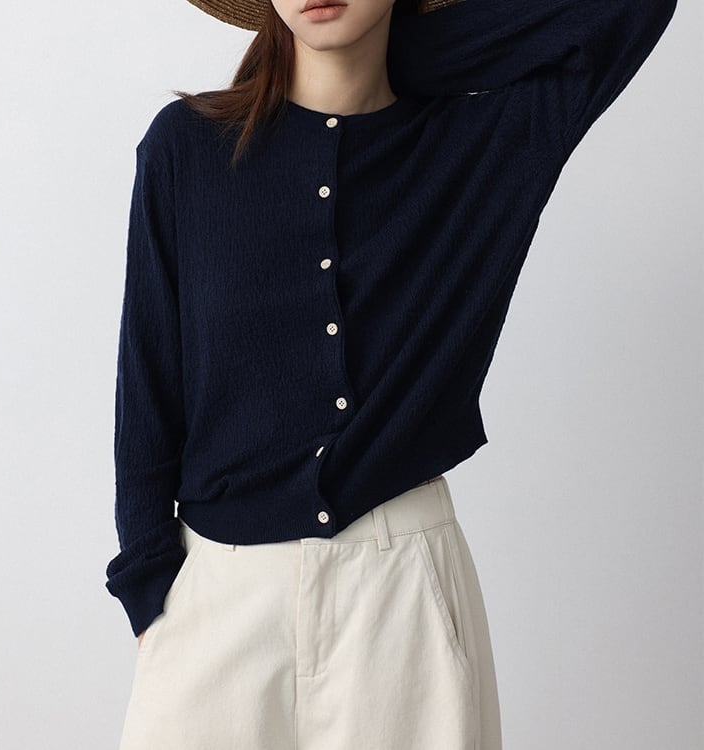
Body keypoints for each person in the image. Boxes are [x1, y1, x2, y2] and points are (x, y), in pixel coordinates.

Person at [104, 0, 677, 747]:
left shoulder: (483, 144)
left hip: (402, 604)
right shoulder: (187, 150)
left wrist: (404, 45)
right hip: (214, 601)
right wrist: (151, 593)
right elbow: (147, 385)